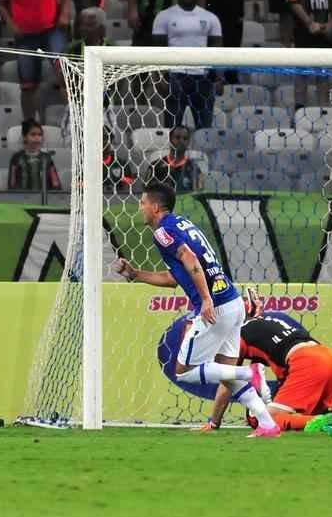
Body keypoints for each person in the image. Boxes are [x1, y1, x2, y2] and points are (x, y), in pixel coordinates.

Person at [115, 181, 281, 438]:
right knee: (227, 377)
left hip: (215, 307)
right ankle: (267, 423)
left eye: (143, 203)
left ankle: (251, 372)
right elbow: (175, 278)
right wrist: (136, 274)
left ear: (155, 207)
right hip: (232, 302)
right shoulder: (182, 224)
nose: (141, 208)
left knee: (184, 372)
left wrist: (205, 299)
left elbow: (190, 261)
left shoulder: (162, 232)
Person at [204, 289, 332, 441]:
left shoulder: (238, 335)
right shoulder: (272, 320)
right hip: (329, 358)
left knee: (265, 419)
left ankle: (326, 424)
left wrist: (214, 423)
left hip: (307, 363)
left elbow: (227, 382)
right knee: (314, 413)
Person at [0, 0, 70, 123]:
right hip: (26, 36)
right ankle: (29, 123)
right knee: (28, 85)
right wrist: (11, 25)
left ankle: (75, 117)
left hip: (52, 29)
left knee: (65, 74)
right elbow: (1, 4)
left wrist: (64, 14)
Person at [151, 0, 221, 129]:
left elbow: (218, 50)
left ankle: (202, 153)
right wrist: (158, 78)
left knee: (205, 129)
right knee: (173, 127)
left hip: (203, 77)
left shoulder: (210, 18)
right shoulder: (164, 16)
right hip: (175, 76)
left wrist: (219, 78)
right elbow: (156, 51)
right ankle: (173, 154)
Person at [8, 120, 61, 190]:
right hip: (21, 198)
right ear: (24, 137)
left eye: (40, 135)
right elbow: (12, 183)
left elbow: (55, 183)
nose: (37, 138)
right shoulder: (17, 157)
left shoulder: (46, 158)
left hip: (44, 198)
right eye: (32, 134)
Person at [148, 125, 200, 192]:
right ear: (169, 139)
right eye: (177, 137)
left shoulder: (194, 169)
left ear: (188, 142)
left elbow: (198, 193)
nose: (181, 141)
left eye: (185, 138)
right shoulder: (155, 166)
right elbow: (148, 193)